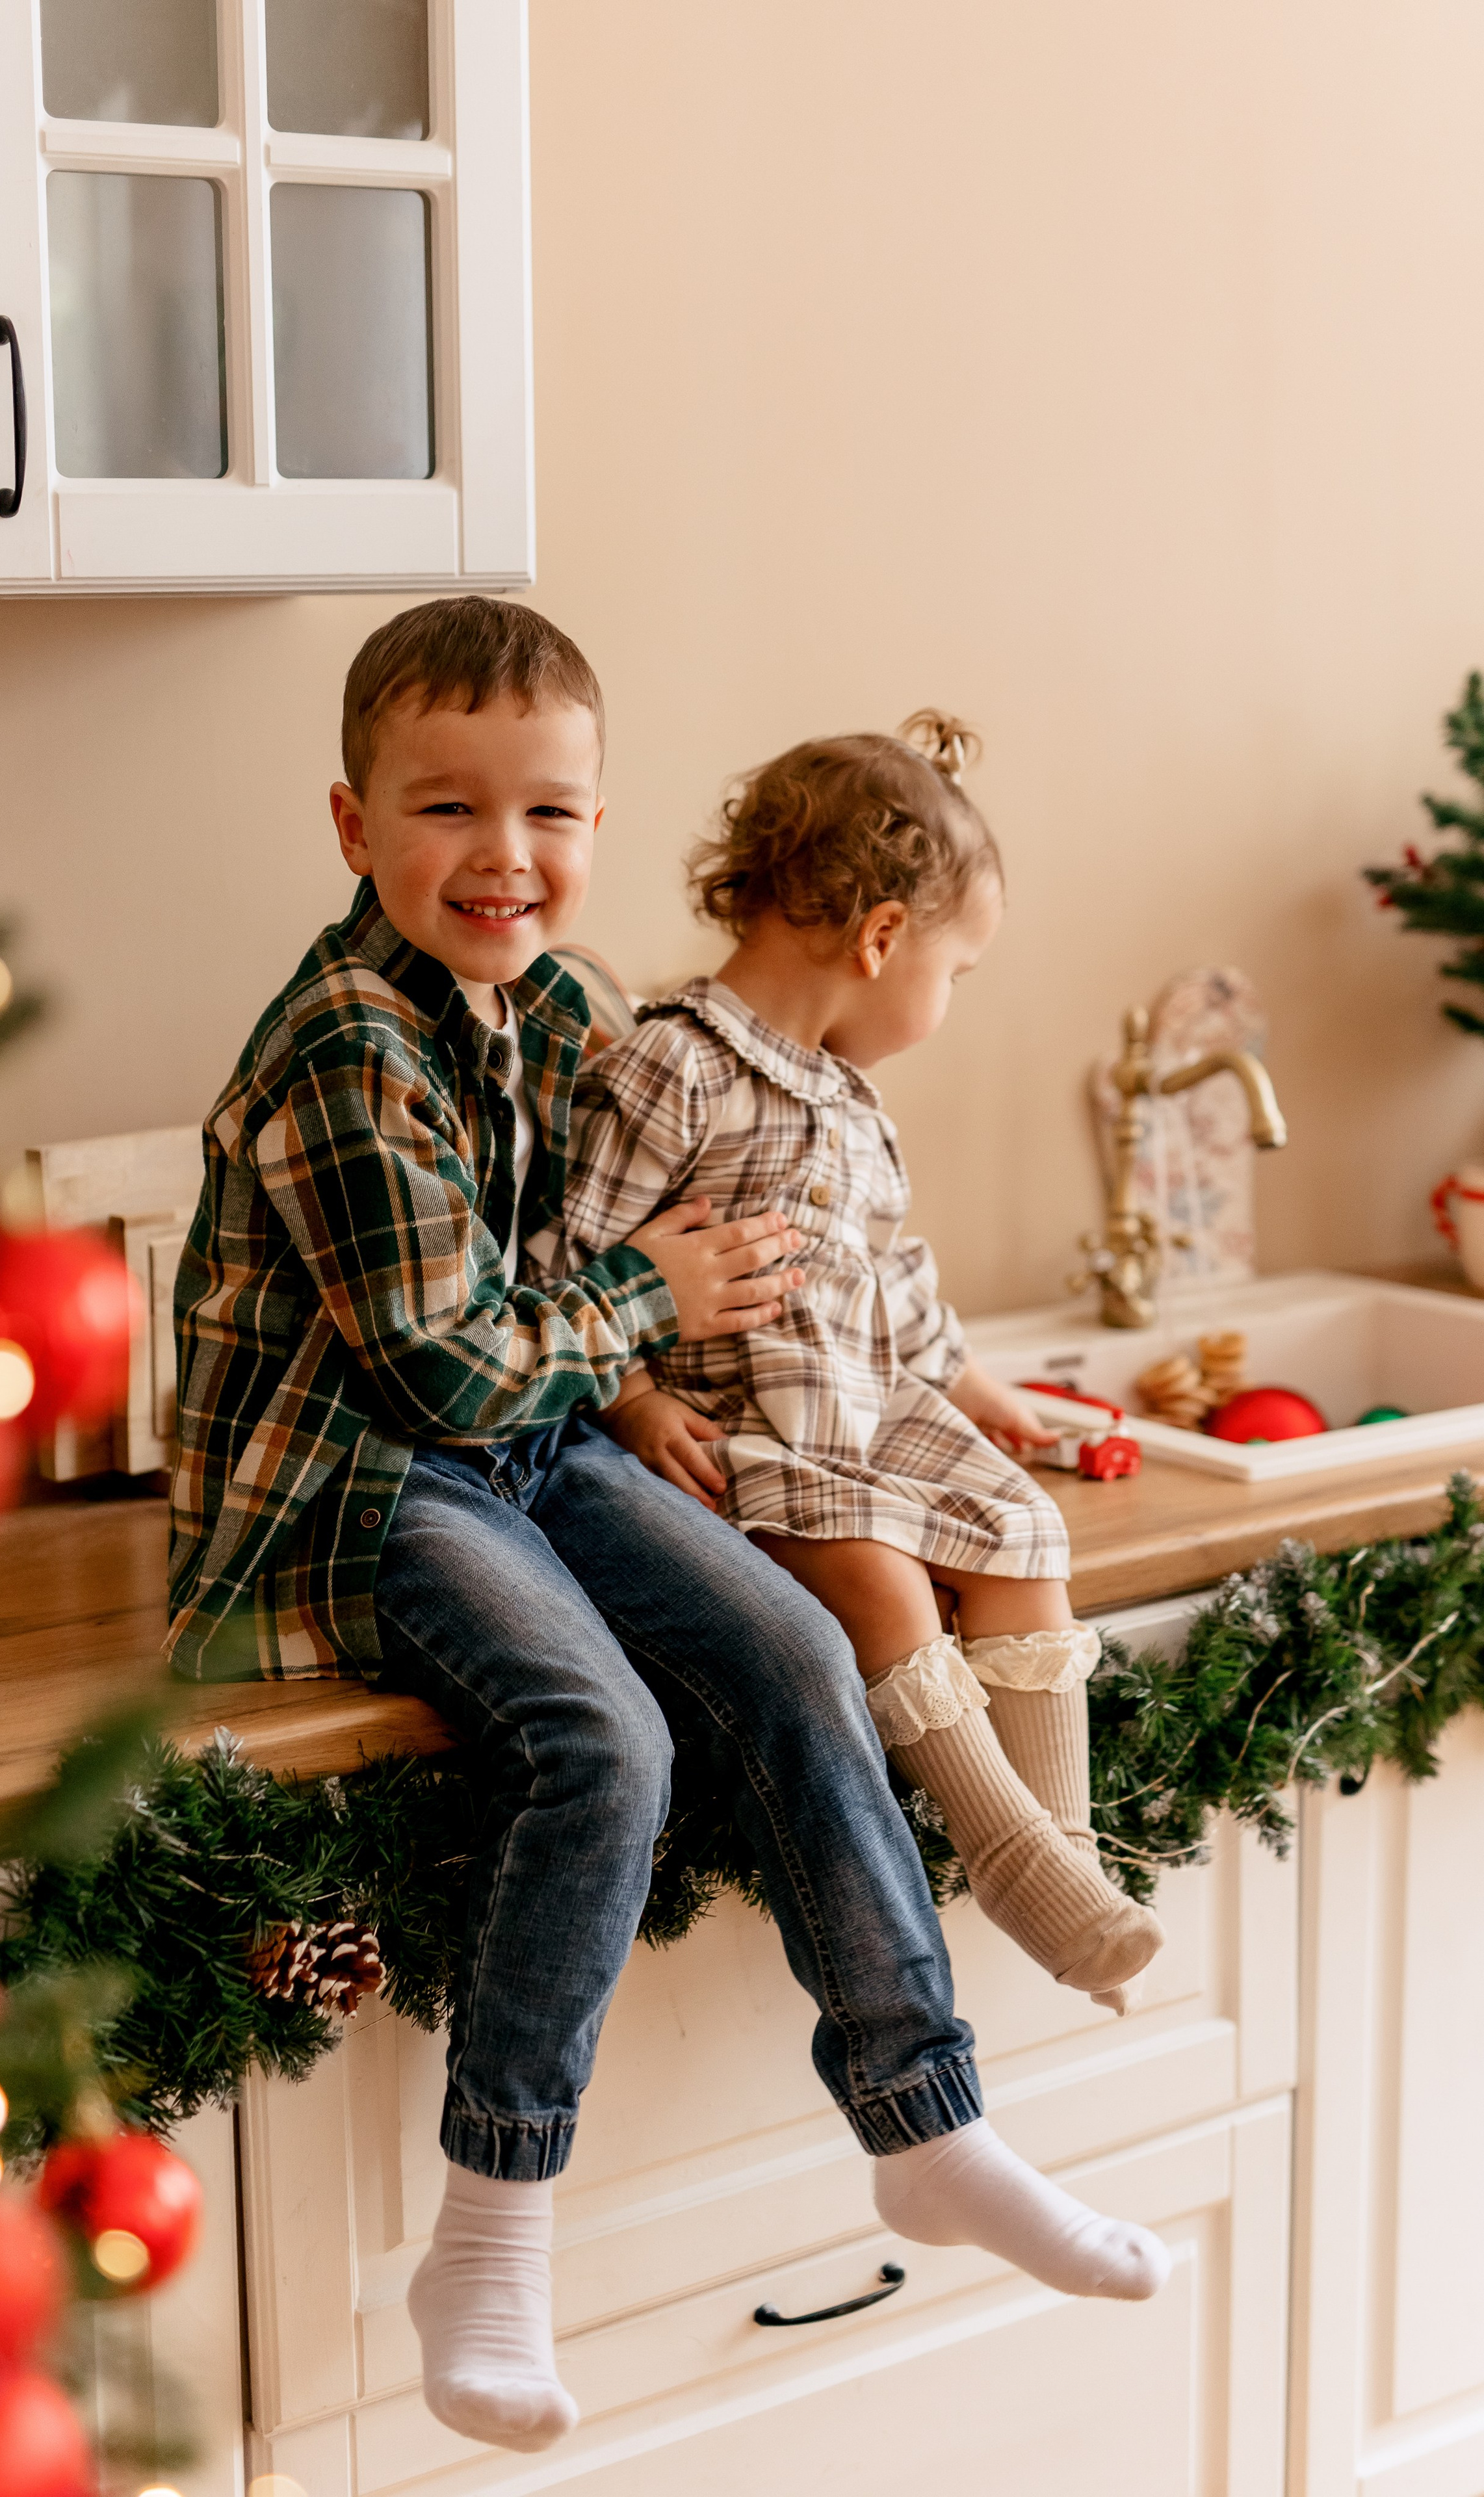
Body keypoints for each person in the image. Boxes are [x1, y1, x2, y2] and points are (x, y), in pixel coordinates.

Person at [168, 608, 1169, 2460]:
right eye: (447, 807)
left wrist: (633, 1367)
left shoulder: (561, 1007)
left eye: (548, 811)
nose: (505, 854)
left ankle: (929, 2124)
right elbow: (454, 1368)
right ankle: (492, 2228)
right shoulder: (341, 1052)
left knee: (799, 1648)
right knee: (605, 1735)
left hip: (530, 1442)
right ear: (351, 823)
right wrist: (645, 1306)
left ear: (601, 820)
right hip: (353, 1486)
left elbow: (574, 1305)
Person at [538, 712, 1165, 2014]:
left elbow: (892, 1277)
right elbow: (562, 1257)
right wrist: (637, 1393)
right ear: (880, 937)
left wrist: (986, 1393)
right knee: (880, 1586)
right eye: (958, 969)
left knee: (1023, 1534)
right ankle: (1006, 1856)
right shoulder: (673, 1068)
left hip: (868, 1414)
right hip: (740, 1427)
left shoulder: (844, 1099)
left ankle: (1063, 1854)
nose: (946, 1000)